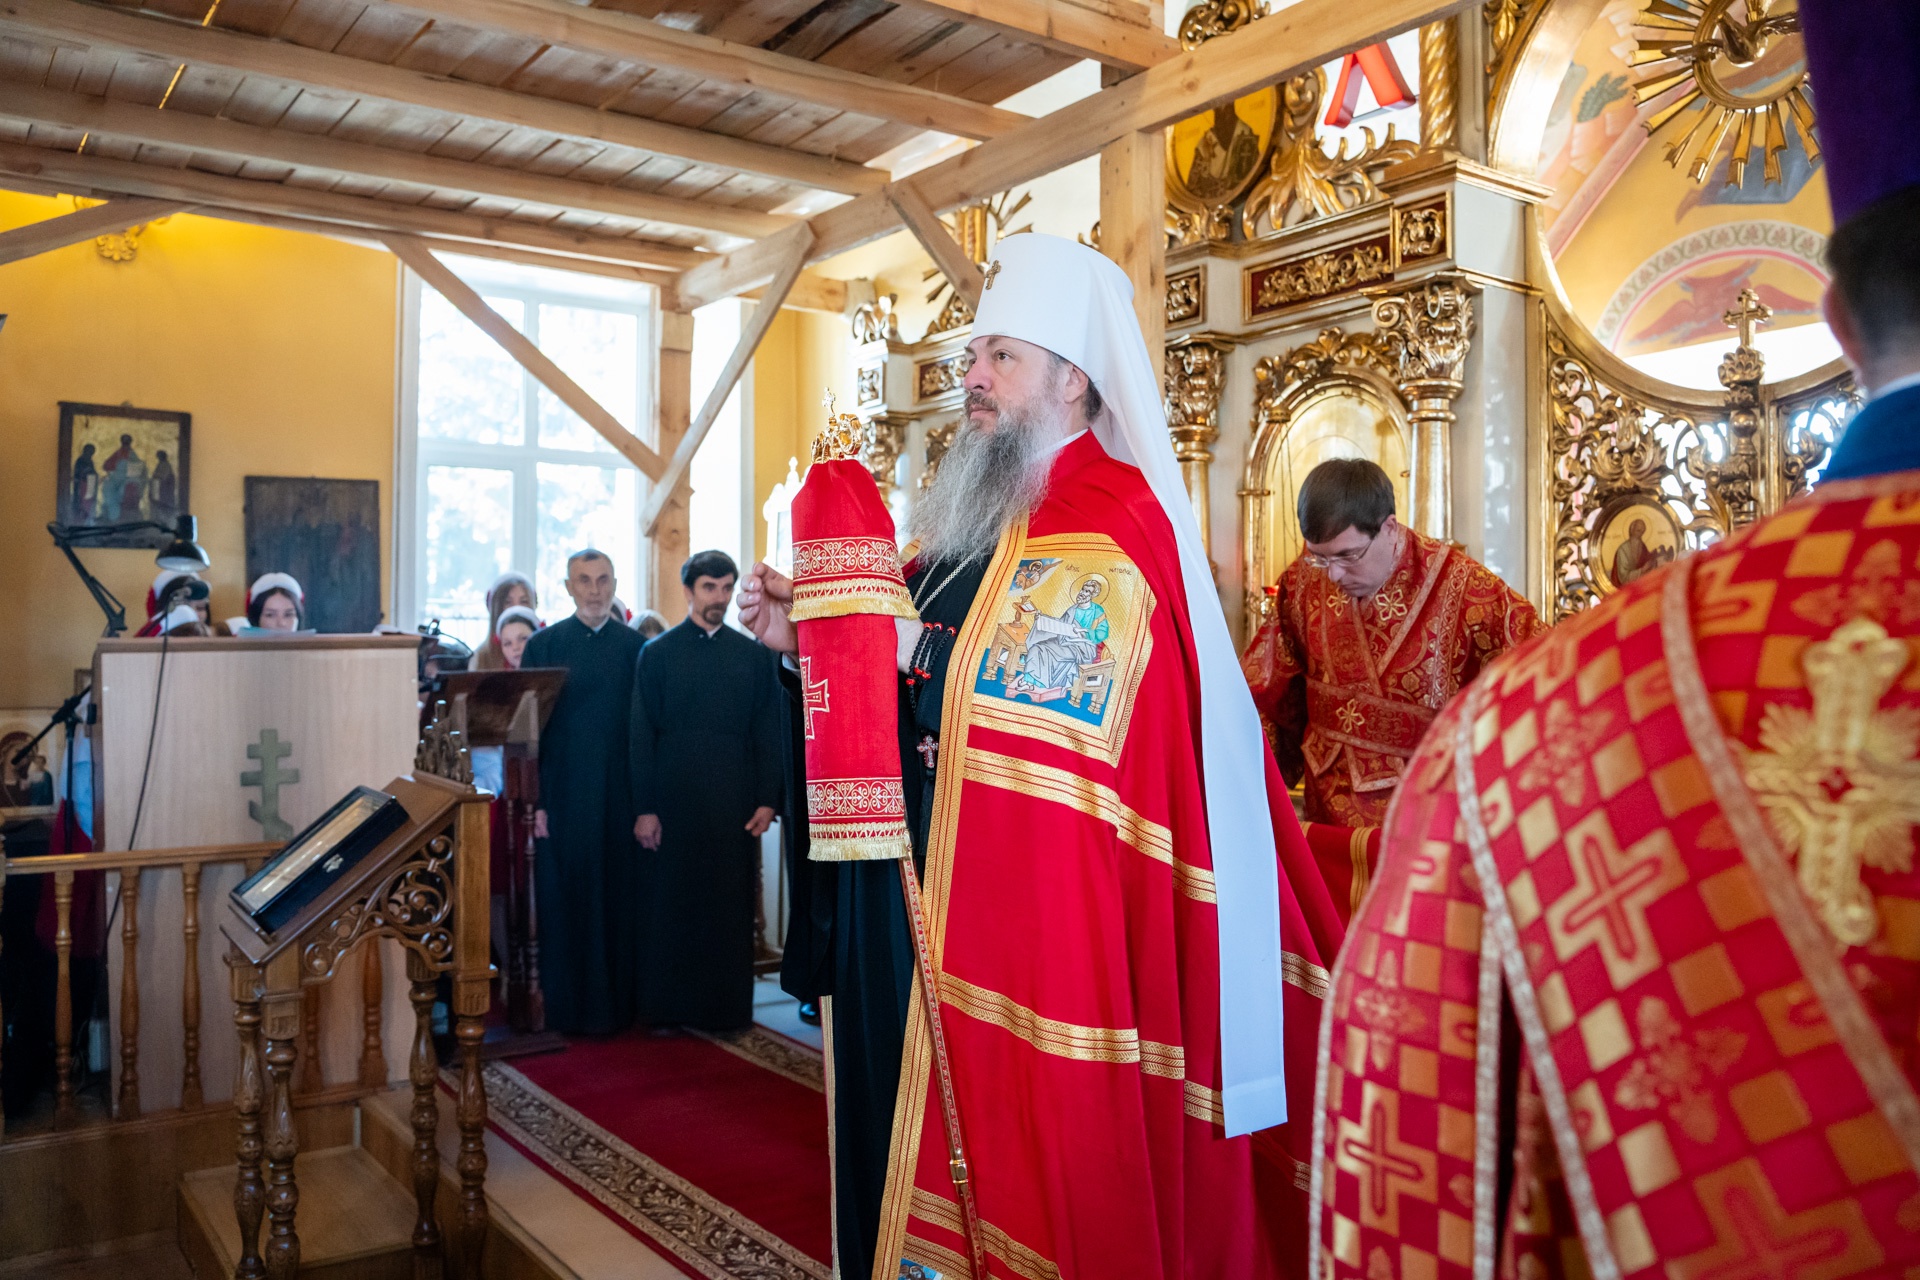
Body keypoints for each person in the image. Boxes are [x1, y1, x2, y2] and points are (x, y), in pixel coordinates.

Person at [1311, 6, 1920, 1271]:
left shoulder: (1533, 730)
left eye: (1343, 550)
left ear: (1845, 322)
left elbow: (1414, 1190)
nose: (1330, 574)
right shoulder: (1320, 608)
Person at [740, 234, 1340, 1279]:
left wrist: (906, 643)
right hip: (919, 903)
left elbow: (1056, 719)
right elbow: (899, 667)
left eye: (1000, 357)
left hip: (1034, 922)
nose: (969, 376)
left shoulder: (1116, 521)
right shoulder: (970, 516)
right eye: (975, 355)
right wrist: (814, 641)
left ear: (1073, 378)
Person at [1241, 458, 1542, 827]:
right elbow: (1268, 693)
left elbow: (1539, 679)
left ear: (1388, 528)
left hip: (1424, 822)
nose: (1333, 574)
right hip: (1324, 823)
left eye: (1348, 556)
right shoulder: (1302, 580)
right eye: (1320, 558)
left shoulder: (1468, 589)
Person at [628, 551, 782, 1033]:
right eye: (709, 588)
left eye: (726, 587)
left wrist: (767, 798)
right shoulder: (657, 655)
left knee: (729, 909)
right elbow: (641, 735)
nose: (719, 597)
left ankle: (727, 1012)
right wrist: (644, 809)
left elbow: (767, 731)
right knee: (672, 907)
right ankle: (670, 1013)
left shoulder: (754, 655)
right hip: (673, 804)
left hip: (733, 803)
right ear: (690, 591)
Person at [520, 549, 643, 1035]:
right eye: (584, 581)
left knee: (619, 902)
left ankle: (620, 1010)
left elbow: (642, 731)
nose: (595, 590)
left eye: (603, 580)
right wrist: (538, 802)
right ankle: (570, 1012)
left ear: (614, 584)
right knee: (567, 902)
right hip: (564, 797)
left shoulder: (638, 648)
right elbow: (528, 734)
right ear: (567, 587)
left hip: (622, 798)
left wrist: (645, 805)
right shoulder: (543, 646)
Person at [472, 571, 538, 671]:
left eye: (524, 601)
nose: (516, 608)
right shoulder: (481, 658)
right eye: (508, 603)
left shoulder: (547, 651)